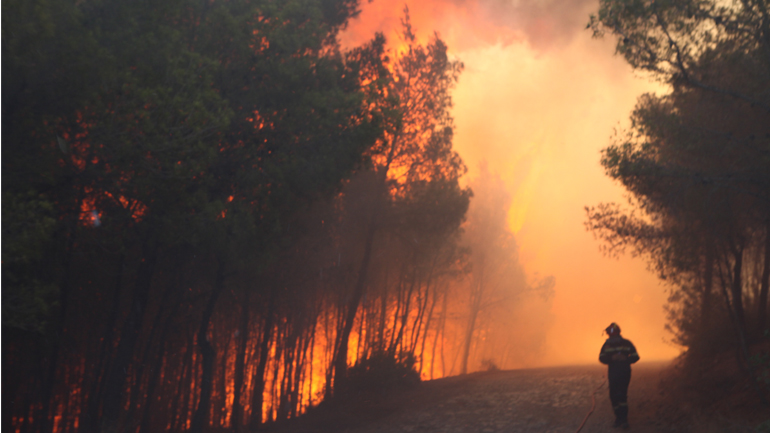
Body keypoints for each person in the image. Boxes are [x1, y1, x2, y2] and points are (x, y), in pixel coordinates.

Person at [599, 322, 639, 429]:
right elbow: (601, 357)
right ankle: (618, 418)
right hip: (613, 373)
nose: (610, 335)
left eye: (611, 332)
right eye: (609, 333)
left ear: (617, 332)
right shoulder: (606, 345)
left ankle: (623, 420)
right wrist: (611, 359)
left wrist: (626, 359)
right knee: (613, 396)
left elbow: (636, 356)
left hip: (624, 372)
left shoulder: (626, 343)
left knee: (621, 396)